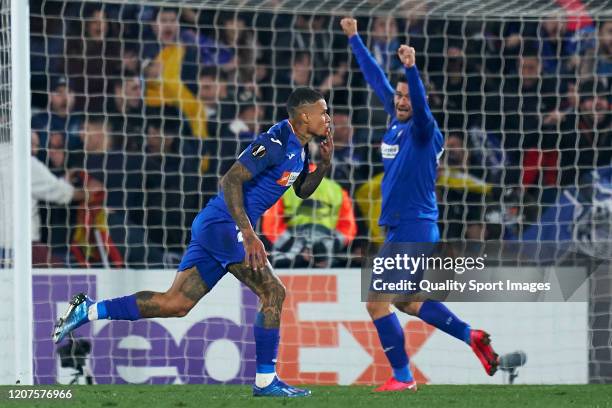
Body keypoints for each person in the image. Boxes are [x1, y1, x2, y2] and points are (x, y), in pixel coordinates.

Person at [53, 87, 333, 398]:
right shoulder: (276, 141)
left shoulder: (301, 147)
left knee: (176, 303)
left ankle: (88, 311)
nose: (327, 117)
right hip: (225, 225)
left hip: (216, 227)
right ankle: (266, 382)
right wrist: (250, 233)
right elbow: (230, 180)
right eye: (322, 111)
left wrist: (323, 166)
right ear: (304, 115)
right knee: (273, 291)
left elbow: (302, 191)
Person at [341, 17, 498, 392]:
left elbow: (421, 104)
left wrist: (412, 70)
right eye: (399, 95)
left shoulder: (425, 132)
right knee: (407, 301)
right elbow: (377, 80)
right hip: (404, 226)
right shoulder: (395, 122)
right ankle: (469, 334)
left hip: (413, 225)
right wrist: (355, 40)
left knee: (376, 304)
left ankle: (403, 377)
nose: (400, 100)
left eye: (408, 96)